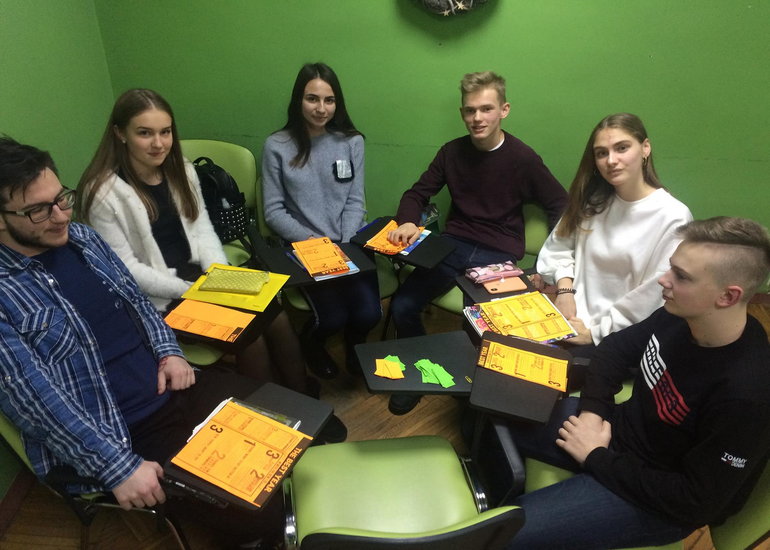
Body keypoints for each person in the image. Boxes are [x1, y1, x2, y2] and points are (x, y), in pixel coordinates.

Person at [0, 137, 283, 547]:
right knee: (262, 514)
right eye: (38, 210)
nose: (61, 215)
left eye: (61, 198)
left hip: (176, 387)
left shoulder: (83, 240)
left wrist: (169, 351)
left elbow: (137, 302)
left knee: (294, 429)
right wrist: (117, 466)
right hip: (123, 433)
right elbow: (33, 400)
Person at [503, 217, 770, 549]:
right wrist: (592, 415)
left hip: (657, 501)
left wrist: (596, 457)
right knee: (491, 412)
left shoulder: (748, 395)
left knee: (506, 534)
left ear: (728, 296)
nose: (663, 280)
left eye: (681, 276)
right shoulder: (680, 314)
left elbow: (695, 501)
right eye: (671, 267)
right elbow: (614, 349)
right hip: (613, 433)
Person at [76, 89, 315, 404]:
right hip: (160, 297)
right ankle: (275, 414)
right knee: (249, 337)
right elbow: (127, 270)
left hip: (203, 280)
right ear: (120, 134)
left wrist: (220, 276)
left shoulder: (182, 171)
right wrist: (190, 290)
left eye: (165, 132)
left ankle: (303, 401)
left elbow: (203, 229)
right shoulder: (103, 193)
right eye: (145, 133)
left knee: (278, 318)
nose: (159, 143)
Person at [385, 71, 568, 414]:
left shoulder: (523, 159)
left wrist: (550, 261)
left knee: (483, 326)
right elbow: (417, 193)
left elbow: (560, 204)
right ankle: (421, 372)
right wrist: (408, 220)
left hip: (498, 253)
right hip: (453, 244)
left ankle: (472, 391)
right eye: (470, 110)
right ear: (462, 113)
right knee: (402, 306)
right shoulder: (451, 152)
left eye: (486, 109)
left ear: (504, 110)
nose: (477, 118)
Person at [534, 113, 692, 386]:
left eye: (622, 148)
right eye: (601, 153)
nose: (611, 160)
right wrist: (565, 290)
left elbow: (652, 298)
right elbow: (558, 247)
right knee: (499, 349)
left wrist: (594, 333)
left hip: (617, 337)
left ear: (645, 148)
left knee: (532, 379)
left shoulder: (673, 217)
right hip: (568, 319)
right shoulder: (593, 201)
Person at [262, 62, 382, 379]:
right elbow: (273, 211)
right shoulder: (277, 145)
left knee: (370, 313)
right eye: (312, 99)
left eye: (329, 100)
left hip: (348, 241)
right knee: (332, 318)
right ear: (298, 101)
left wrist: (345, 245)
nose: (321, 108)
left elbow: (355, 201)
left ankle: (356, 345)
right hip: (306, 247)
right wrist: (316, 244)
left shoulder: (351, 142)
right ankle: (312, 344)